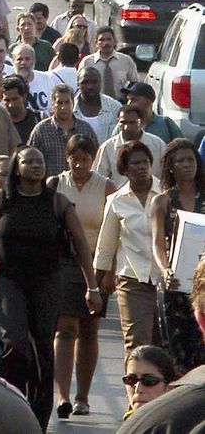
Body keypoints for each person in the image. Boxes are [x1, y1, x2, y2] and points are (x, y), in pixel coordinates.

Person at [0, 146, 100, 431]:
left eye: (40, 161)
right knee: (14, 345)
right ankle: (11, 404)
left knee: (42, 348)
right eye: (29, 161)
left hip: (47, 282)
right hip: (10, 281)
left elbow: (81, 247)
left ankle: (39, 415)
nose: (36, 166)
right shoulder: (0, 201)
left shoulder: (57, 202)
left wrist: (92, 287)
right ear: (17, 167)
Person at [50, 132, 112, 419]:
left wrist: (108, 272)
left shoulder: (106, 187)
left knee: (89, 331)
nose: (80, 165)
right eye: (75, 159)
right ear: (68, 158)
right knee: (65, 328)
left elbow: (115, 232)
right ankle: (62, 395)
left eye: (85, 160)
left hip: (98, 265)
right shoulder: (56, 185)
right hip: (63, 265)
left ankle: (83, 397)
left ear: (93, 159)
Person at [94, 141, 162, 360]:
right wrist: (96, 284)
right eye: (135, 163)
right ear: (124, 169)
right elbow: (106, 243)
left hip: (166, 279)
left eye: (145, 162)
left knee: (163, 344)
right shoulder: (116, 201)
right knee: (136, 344)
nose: (141, 167)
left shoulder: (166, 194)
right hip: (132, 279)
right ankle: (135, 392)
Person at [150, 139, 205, 374]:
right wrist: (165, 270)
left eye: (191, 160)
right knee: (177, 354)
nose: (187, 165)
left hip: (203, 286)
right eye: (180, 161)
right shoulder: (161, 201)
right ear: (170, 166)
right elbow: (157, 243)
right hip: (175, 285)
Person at [121, 345, 179, 421]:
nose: (138, 389)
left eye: (149, 380)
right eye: (131, 380)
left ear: (169, 388)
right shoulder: (128, 425)